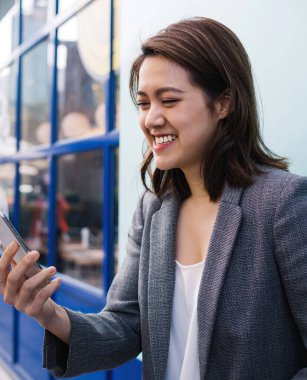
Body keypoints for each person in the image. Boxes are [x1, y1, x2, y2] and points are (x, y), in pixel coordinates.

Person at [0, 16, 307, 380]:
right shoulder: (154, 207)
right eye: (144, 103)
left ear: (224, 102)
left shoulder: (282, 203)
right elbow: (125, 325)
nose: (150, 119)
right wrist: (48, 313)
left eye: (169, 100)